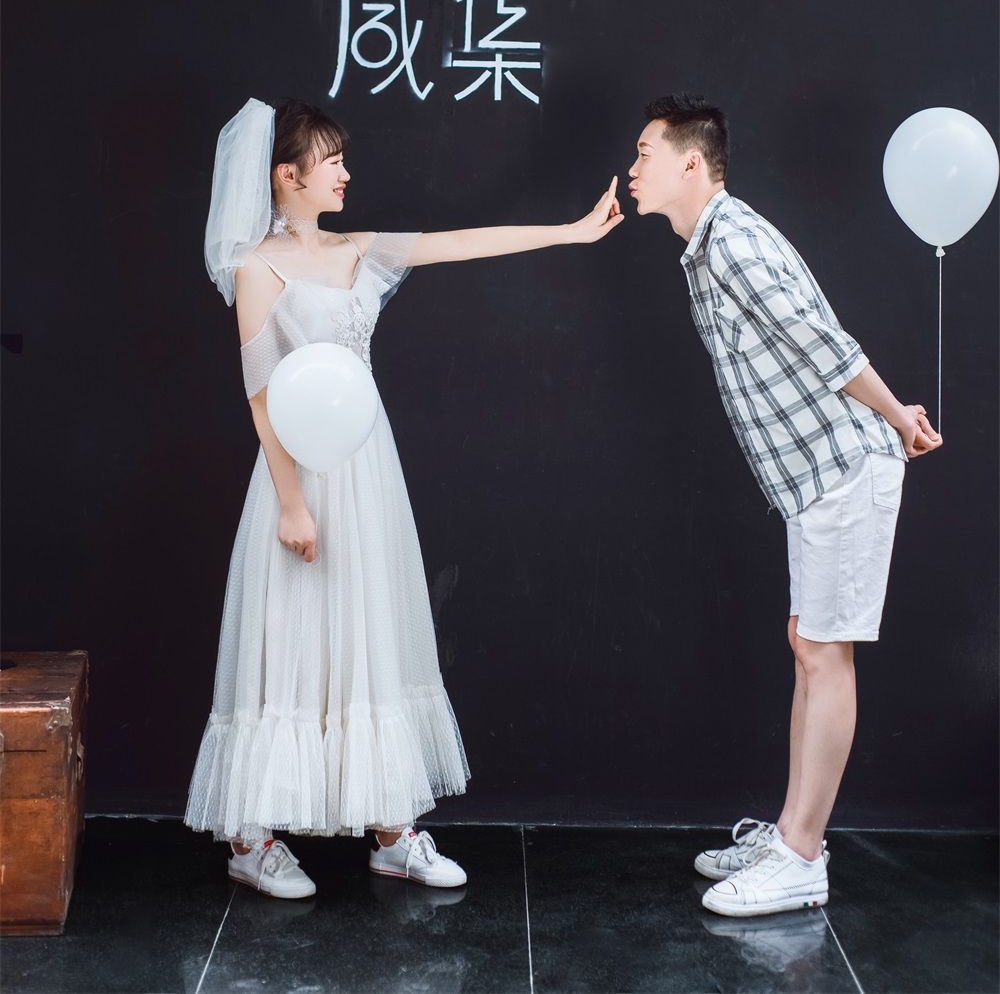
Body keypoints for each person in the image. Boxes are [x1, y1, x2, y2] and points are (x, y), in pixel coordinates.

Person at [185, 97, 622, 899]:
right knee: (292, 632)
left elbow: (458, 243)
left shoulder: (357, 248)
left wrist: (569, 231)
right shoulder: (258, 267)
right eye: (332, 161)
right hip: (298, 473)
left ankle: (392, 831)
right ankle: (252, 839)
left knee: (372, 629)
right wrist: (291, 502)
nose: (346, 173)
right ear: (287, 176)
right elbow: (260, 397)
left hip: (366, 468)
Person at [627, 94, 942, 918]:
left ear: (691, 162)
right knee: (810, 645)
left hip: (843, 468)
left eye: (645, 154)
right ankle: (791, 835)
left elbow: (822, 342)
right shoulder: (708, 246)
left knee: (824, 654)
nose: (633, 169)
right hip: (814, 480)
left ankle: (802, 857)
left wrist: (896, 414)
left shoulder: (732, 241)